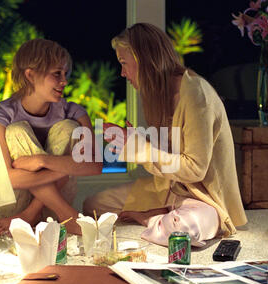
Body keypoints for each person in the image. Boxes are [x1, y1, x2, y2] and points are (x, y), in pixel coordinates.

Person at [83, 23, 247, 246]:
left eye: (124, 63)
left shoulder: (196, 94)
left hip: (202, 197)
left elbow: (195, 170)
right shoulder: (158, 94)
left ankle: (152, 217)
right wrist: (137, 143)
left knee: (180, 229)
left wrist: (140, 147)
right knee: (94, 206)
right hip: (169, 189)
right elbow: (164, 159)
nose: (122, 73)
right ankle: (160, 213)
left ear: (144, 60)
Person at [0, 39, 102, 236]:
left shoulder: (73, 111)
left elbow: (94, 166)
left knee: (69, 127)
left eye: (65, 74)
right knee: (16, 131)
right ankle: (68, 216)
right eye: (57, 74)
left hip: (50, 212)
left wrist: (41, 160)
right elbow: (6, 178)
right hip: (13, 208)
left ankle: (31, 215)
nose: (64, 81)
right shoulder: (1, 116)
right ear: (30, 75)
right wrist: (65, 168)